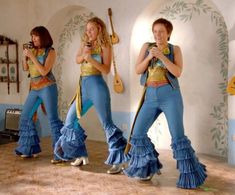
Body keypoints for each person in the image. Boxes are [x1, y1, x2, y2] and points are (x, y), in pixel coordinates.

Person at [123, 18, 207, 189]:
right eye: (155, 31)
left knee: (178, 137)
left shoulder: (175, 49)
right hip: (150, 96)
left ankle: (190, 176)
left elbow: (177, 71)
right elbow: (138, 70)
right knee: (137, 133)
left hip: (170, 96)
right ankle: (148, 168)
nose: (158, 35)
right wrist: (149, 57)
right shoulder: (147, 47)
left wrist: (162, 56)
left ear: (168, 33)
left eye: (161, 31)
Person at [54, 17, 128, 174]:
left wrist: (89, 59)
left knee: (107, 124)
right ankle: (80, 154)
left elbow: (106, 70)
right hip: (83, 87)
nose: (88, 32)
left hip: (97, 87)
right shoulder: (85, 43)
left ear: (99, 29)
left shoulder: (105, 45)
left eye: (91, 29)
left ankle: (119, 161)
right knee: (70, 120)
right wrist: (84, 54)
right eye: (87, 30)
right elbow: (77, 59)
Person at [15, 26, 63, 163]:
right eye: (32, 36)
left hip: (48, 87)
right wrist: (25, 57)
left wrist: (31, 56)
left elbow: (44, 71)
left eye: (35, 36)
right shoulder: (33, 51)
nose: (33, 39)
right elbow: (26, 68)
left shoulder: (51, 51)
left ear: (43, 37)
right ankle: (29, 148)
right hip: (34, 88)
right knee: (25, 116)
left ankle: (59, 153)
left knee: (53, 119)